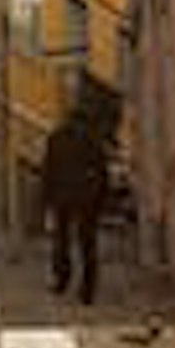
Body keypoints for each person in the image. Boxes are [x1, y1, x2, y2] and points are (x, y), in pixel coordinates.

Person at [40, 87, 118, 311]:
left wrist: (46, 199)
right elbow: (102, 171)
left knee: (62, 242)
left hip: (63, 196)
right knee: (87, 244)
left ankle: (62, 281)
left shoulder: (56, 137)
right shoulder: (92, 140)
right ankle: (87, 290)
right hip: (88, 199)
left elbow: (48, 169)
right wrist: (104, 198)